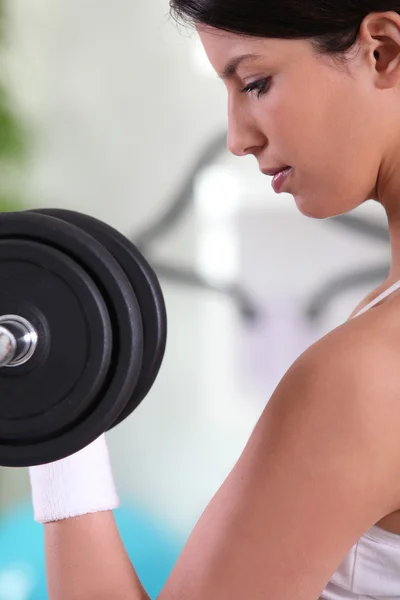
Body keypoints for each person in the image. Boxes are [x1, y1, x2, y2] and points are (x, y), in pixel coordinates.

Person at [28, 2, 400, 599]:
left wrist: (56, 423)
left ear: (382, 50)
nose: (237, 138)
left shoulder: (366, 377)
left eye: (255, 83)